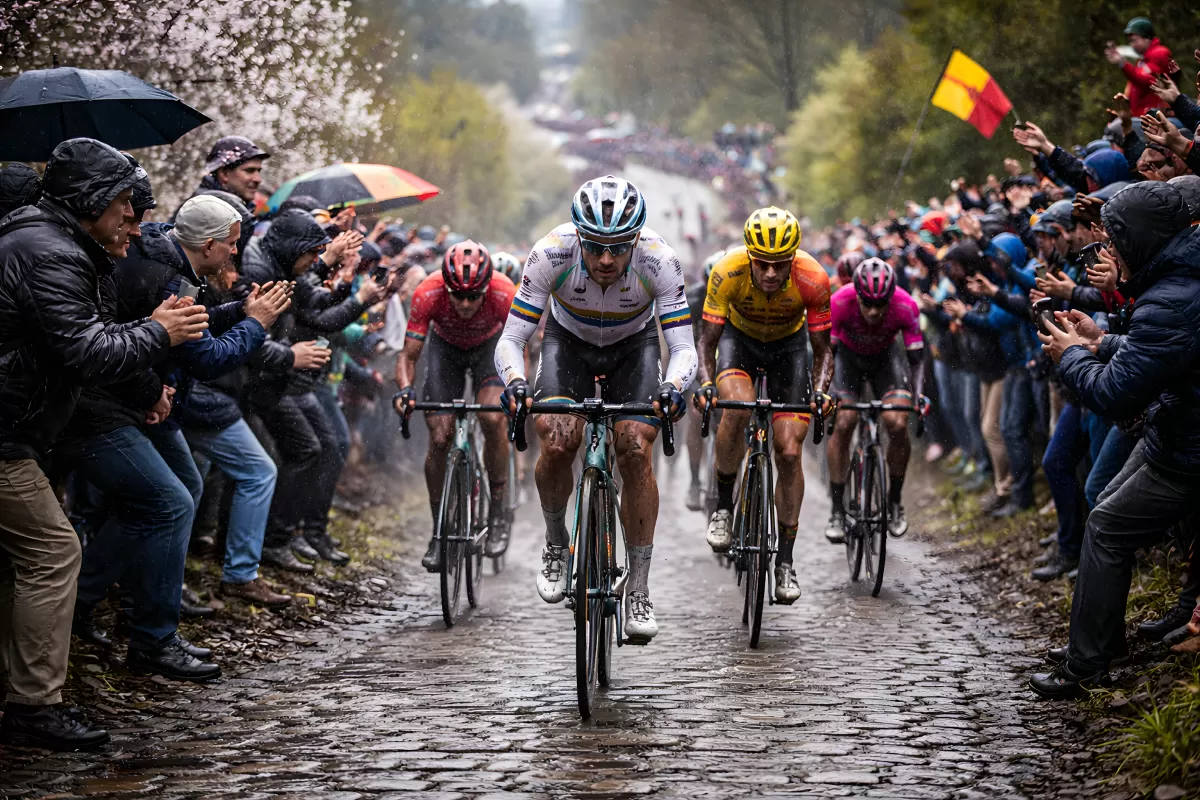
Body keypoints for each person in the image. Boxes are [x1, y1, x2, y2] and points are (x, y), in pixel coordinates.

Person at [0, 138, 204, 750]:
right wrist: (159, 332)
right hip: (7, 431)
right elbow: (89, 352)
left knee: (18, 561)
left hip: (21, 427)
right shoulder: (50, 252)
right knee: (53, 553)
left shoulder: (56, 245)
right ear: (90, 201)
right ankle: (33, 706)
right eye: (124, 208)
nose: (135, 223)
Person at [495, 176, 696, 644]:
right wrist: (516, 382)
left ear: (636, 241)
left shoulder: (659, 260)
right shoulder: (551, 253)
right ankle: (555, 543)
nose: (607, 260)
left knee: (634, 448)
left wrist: (671, 386)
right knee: (558, 439)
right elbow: (512, 339)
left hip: (635, 347)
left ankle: (640, 589)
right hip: (569, 345)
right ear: (580, 238)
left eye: (619, 248)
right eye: (597, 248)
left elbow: (683, 348)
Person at [1031, 182, 1200, 698]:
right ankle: (1098, 640)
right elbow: (1166, 346)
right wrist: (1102, 340)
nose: (1108, 250)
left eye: (1115, 238)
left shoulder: (1171, 295)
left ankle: (1087, 665)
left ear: (1140, 240)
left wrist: (1072, 356)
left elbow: (1114, 394)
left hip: (1189, 449)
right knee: (1103, 504)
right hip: (1176, 430)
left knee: (1104, 526)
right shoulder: (1178, 279)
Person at [694, 208, 833, 604]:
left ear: (793, 260)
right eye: (762, 264)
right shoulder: (727, 271)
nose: (771, 274)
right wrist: (706, 384)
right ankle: (723, 507)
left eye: (780, 265)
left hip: (790, 351)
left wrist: (821, 391)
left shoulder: (814, 278)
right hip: (740, 342)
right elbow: (707, 342)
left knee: (789, 451)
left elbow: (823, 351)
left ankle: (785, 562)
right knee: (736, 408)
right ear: (749, 257)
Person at [393, 241, 517, 567]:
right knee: (439, 437)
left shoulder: (504, 292)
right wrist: (405, 390)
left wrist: (518, 387)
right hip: (444, 350)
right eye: (457, 295)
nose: (464, 303)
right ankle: (438, 532)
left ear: (487, 288)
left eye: (473, 296)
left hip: (490, 349)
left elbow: (520, 348)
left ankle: (498, 512)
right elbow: (408, 355)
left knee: (492, 420)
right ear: (444, 287)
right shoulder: (427, 292)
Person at [825, 258, 926, 541]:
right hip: (847, 360)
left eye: (880, 305)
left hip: (886, 360)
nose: (872, 311)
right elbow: (826, 356)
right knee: (844, 420)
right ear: (855, 293)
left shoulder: (905, 305)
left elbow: (916, 359)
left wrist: (918, 396)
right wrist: (826, 390)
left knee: (896, 421)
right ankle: (836, 509)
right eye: (866, 303)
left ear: (891, 297)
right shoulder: (839, 302)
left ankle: (894, 501)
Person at [683, 249, 724, 512]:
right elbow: (684, 344)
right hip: (698, 362)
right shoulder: (694, 299)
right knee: (697, 417)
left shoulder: (736, 297)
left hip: (728, 363)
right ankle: (695, 480)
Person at [1104, 17, 1172, 118]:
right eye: (1130, 41)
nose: (1132, 45)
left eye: (1135, 40)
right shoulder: (1143, 59)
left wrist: (1123, 63)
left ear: (1147, 38)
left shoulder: (1159, 53)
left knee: (1114, 129)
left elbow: (1146, 81)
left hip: (1154, 115)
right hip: (1142, 115)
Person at [195, 136, 270, 207]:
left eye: (258, 171)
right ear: (224, 174)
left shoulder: (215, 206)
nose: (258, 179)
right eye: (249, 170)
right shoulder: (205, 208)